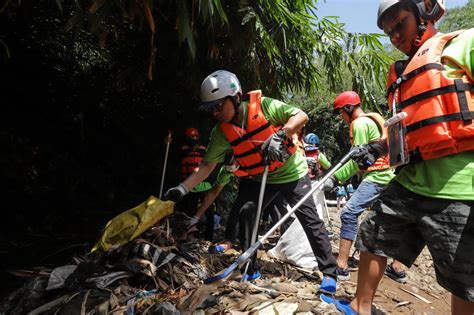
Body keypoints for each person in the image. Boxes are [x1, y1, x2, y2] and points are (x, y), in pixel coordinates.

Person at [321, 1, 474, 314]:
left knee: (463, 278)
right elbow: (404, 129)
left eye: (399, 24)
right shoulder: (401, 75)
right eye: (387, 31)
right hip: (409, 181)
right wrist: (377, 148)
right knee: (373, 234)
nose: (393, 36)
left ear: (426, 12)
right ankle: (360, 306)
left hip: (459, 187)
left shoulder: (464, 43)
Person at [164, 70, 338, 292]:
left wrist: (281, 134)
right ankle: (250, 267)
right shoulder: (221, 133)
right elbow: (207, 166)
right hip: (259, 176)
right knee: (247, 213)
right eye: (211, 109)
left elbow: (301, 115)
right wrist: (182, 188)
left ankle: (330, 274)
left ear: (235, 97)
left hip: (291, 172)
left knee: (310, 220)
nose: (215, 112)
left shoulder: (264, 106)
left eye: (219, 105)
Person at [322, 91, 405, 282]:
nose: (342, 118)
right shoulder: (373, 119)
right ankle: (397, 267)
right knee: (387, 219)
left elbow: (356, 160)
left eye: (341, 113)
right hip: (389, 175)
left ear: (348, 109)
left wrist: (335, 179)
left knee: (348, 213)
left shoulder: (359, 123)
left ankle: (341, 265)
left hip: (376, 176)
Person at [176, 127, 214, 240]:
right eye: (192, 136)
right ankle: (189, 235)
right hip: (190, 187)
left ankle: (209, 238)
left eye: (196, 136)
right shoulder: (182, 151)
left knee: (209, 212)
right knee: (189, 212)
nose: (194, 138)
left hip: (204, 185)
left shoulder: (203, 149)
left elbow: (209, 165)